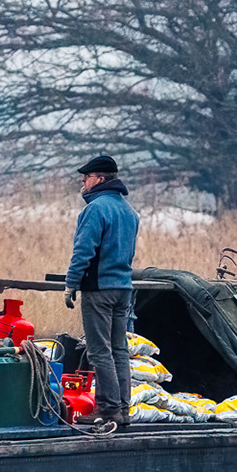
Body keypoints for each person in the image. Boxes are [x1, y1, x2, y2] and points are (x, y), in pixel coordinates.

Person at [64, 154, 140, 426]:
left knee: (99, 351)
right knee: (119, 349)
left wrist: (71, 283)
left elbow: (84, 251)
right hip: (123, 289)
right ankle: (122, 409)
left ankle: (107, 409)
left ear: (99, 179)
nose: (83, 182)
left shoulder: (96, 209)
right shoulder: (129, 211)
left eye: (86, 177)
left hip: (99, 290)